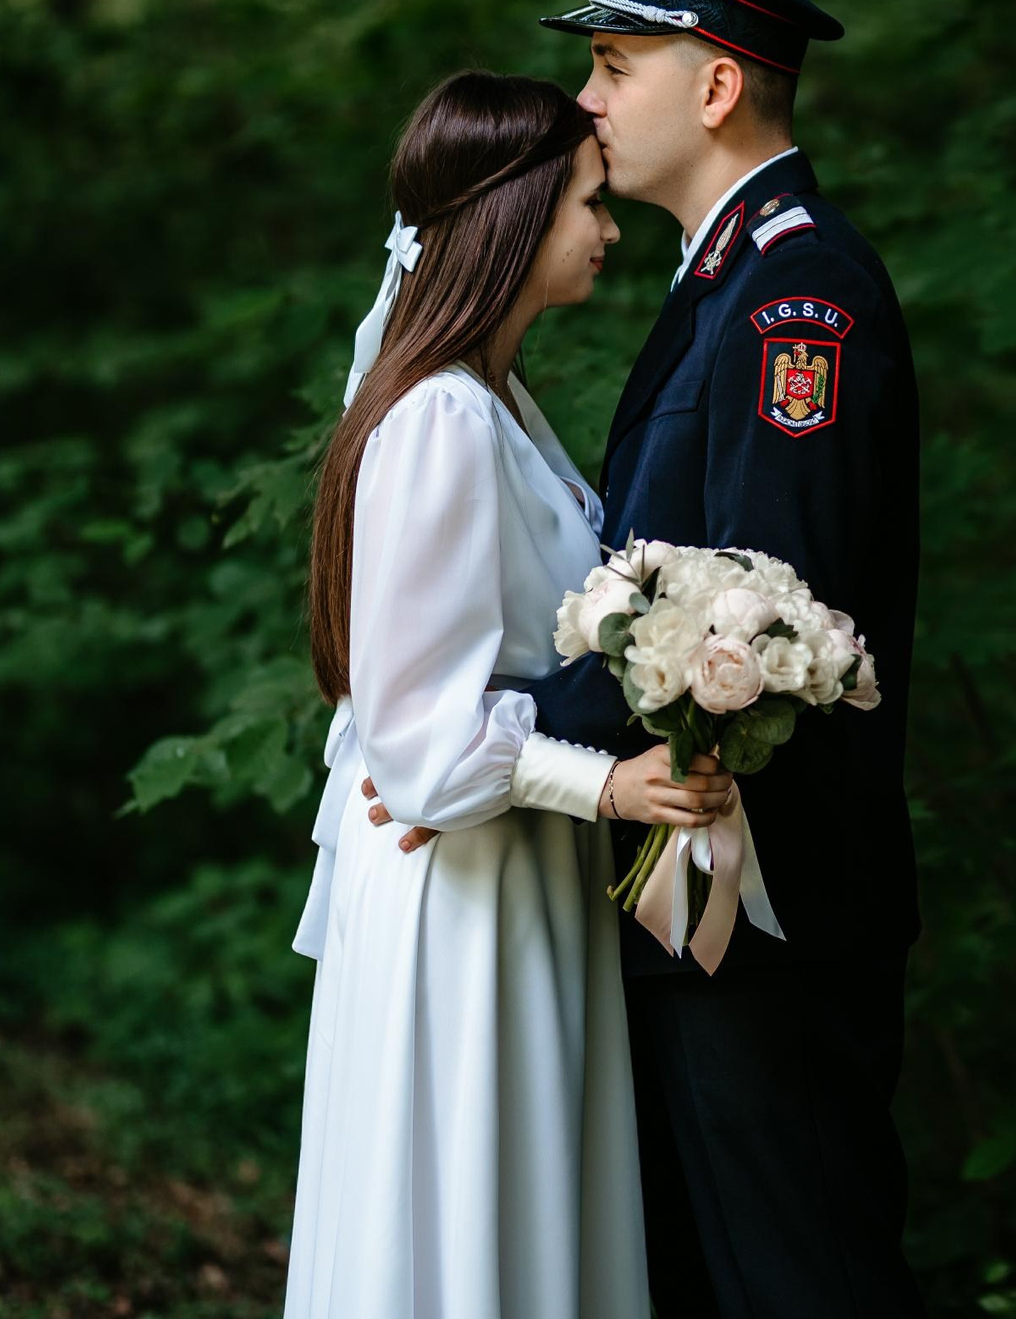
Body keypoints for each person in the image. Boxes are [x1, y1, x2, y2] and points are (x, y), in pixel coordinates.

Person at [372, 0, 926, 1317]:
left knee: (796, 1271)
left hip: (767, 886)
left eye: (615, 67)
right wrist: (483, 748)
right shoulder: (720, 285)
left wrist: (490, 749)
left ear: (718, 83)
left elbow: (757, 610)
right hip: (683, 875)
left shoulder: (800, 299)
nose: (586, 99)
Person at [282, 69, 736, 1319]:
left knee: (531, 1213)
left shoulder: (493, 400)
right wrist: (604, 778)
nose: (607, 229)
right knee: (469, 1210)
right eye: (589, 203)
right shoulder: (435, 417)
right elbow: (420, 737)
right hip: (461, 885)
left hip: (514, 865)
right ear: (518, 214)